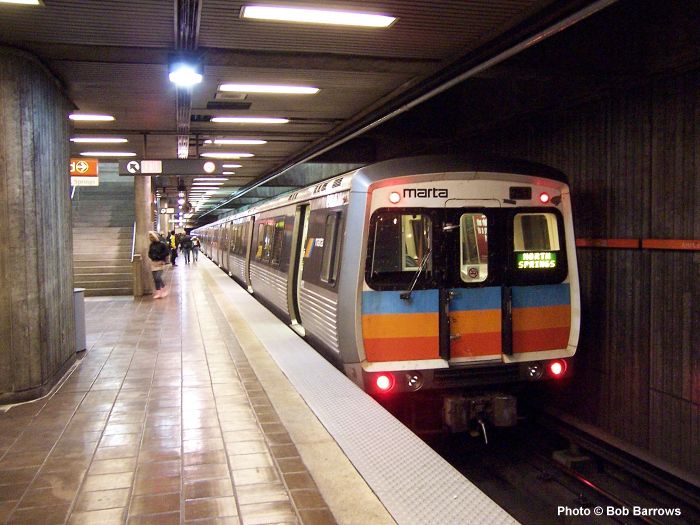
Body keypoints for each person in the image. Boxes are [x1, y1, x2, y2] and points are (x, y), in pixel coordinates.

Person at [148, 231, 170, 298]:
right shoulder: (151, 245)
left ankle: (164, 289)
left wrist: (160, 257)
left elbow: (166, 252)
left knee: (158, 277)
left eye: (152, 237)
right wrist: (152, 257)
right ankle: (159, 292)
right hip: (153, 262)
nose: (151, 238)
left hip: (160, 262)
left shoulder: (162, 244)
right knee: (155, 278)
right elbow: (149, 253)